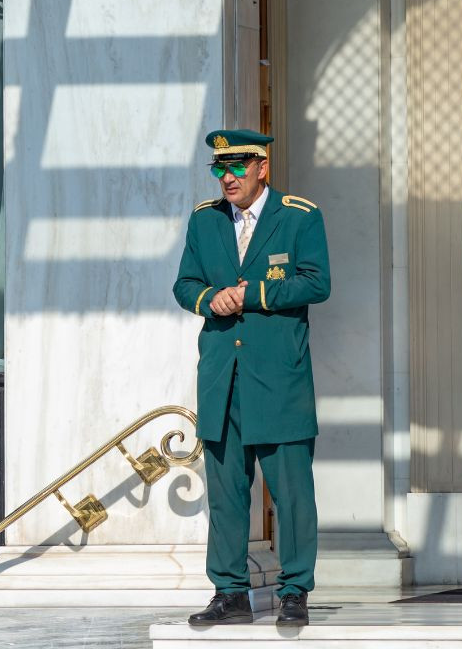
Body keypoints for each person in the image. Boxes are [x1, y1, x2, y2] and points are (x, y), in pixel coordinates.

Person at [172, 128, 330, 627]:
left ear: (262, 167)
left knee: (293, 493)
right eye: (219, 168)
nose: (227, 177)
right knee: (225, 494)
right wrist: (207, 299)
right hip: (222, 378)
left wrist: (252, 293)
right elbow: (185, 283)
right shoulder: (205, 221)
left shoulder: (300, 216)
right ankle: (230, 593)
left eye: (237, 167)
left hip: (279, 380)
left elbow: (316, 281)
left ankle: (295, 590)